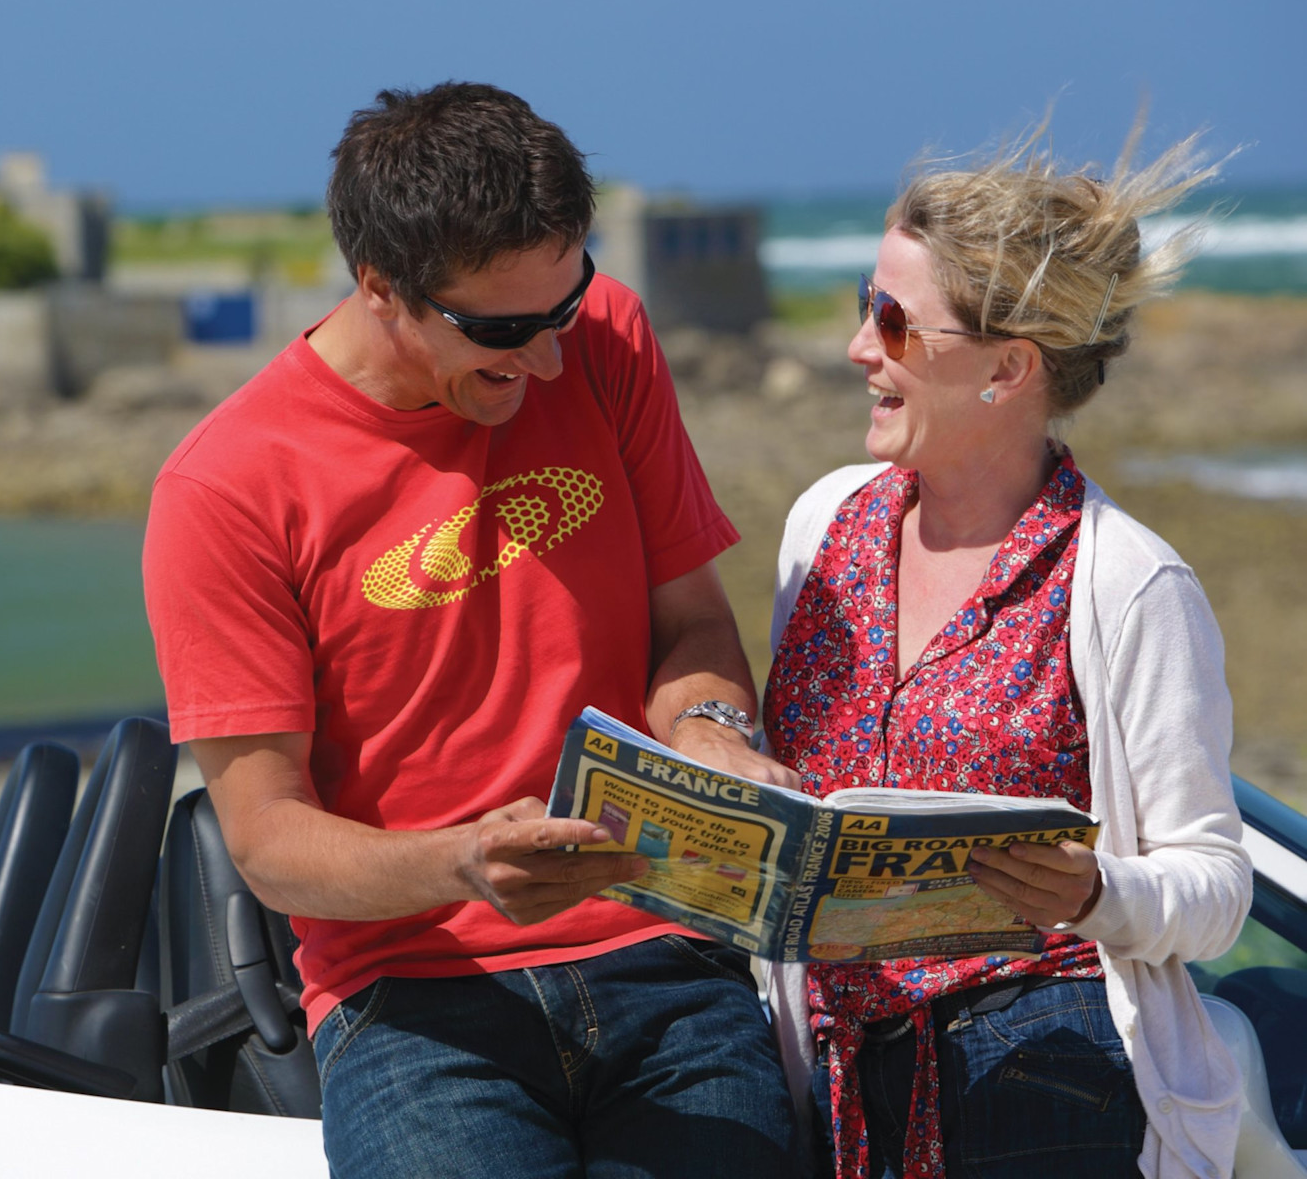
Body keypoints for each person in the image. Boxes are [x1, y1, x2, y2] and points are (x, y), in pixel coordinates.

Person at [142, 82, 797, 1177]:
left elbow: (690, 627)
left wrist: (714, 734)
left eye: (563, 309)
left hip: (666, 953)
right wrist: (464, 865)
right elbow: (266, 840)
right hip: (415, 1001)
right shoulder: (226, 487)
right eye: (499, 333)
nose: (546, 363)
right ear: (380, 288)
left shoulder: (610, 337)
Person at [762, 124, 1252, 1179]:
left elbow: (1217, 885)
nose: (857, 347)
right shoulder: (823, 526)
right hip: (830, 1080)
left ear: (1009, 367)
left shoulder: (1126, 580)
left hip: (1040, 1067)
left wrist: (1089, 895)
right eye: (862, 300)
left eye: (893, 321)